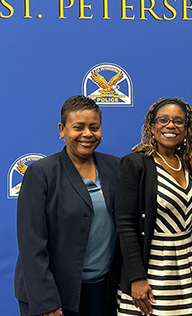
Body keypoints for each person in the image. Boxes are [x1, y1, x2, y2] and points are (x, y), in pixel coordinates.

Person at [14, 95, 120, 316]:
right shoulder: (41, 173)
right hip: (55, 295)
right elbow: (31, 244)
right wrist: (46, 301)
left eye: (94, 127)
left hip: (102, 293)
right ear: (62, 130)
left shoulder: (115, 167)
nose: (87, 134)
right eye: (78, 127)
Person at [115, 98, 192, 316]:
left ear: (186, 130)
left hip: (189, 266)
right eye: (163, 120)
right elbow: (125, 225)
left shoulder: (187, 164)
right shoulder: (135, 163)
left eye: (178, 121)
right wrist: (136, 277)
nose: (170, 126)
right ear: (152, 127)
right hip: (153, 267)